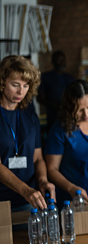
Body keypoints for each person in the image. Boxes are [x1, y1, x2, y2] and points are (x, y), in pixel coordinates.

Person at [44, 80, 88, 206]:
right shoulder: (60, 130)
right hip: (73, 201)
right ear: (69, 108)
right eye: (79, 110)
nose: (86, 114)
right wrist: (70, 188)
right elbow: (52, 169)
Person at [0, 55, 55, 210]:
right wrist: (26, 190)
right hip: (3, 200)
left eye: (25, 86)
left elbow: (38, 158)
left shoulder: (30, 115)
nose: (20, 91)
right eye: (15, 84)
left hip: (28, 200)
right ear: (2, 82)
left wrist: (43, 181)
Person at [38, 50, 75, 131]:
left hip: (69, 116)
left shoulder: (70, 78)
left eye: (64, 60)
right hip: (53, 116)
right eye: (60, 60)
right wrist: (53, 104)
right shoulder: (46, 77)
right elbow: (39, 98)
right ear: (53, 61)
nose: (62, 62)